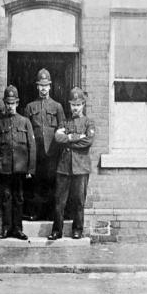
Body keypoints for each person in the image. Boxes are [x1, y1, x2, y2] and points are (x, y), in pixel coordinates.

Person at [0, 85, 36, 240]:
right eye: (8, 103)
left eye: (13, 103)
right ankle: (6, 229)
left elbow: (31, 146)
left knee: (19, 198)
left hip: (20, 168)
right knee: (6, 198)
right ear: (4, 103)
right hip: (4, 168)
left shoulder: (25, 122)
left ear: (17, 103)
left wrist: (31, 168)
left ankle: (18, 229)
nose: (10, 106)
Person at [48, 87, 95, 241]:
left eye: (78, 105)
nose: (75, 108)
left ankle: (77, 229)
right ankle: (57, 230)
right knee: (59, 201)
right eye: (73, 105)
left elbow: (88, 142)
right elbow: (58, 138)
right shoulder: (64, 122)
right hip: (64, 167)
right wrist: (75, 137)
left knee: (79, 201)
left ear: (83, 105)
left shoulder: (89, 122)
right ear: (69, 105)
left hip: (81, 167)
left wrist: (68, 139)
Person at [23, 68, 66, 220]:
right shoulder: (30, 107)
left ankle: (50, 214)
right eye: (41, 85)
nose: (43, 88)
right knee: (36, 183)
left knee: (52, 183)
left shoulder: (57, 107)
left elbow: (62, 130)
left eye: (46, 85)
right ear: (37, 86)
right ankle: (36, 213)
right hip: (36, 153)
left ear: (50, 86)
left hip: (52, 152)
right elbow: (26, 131)